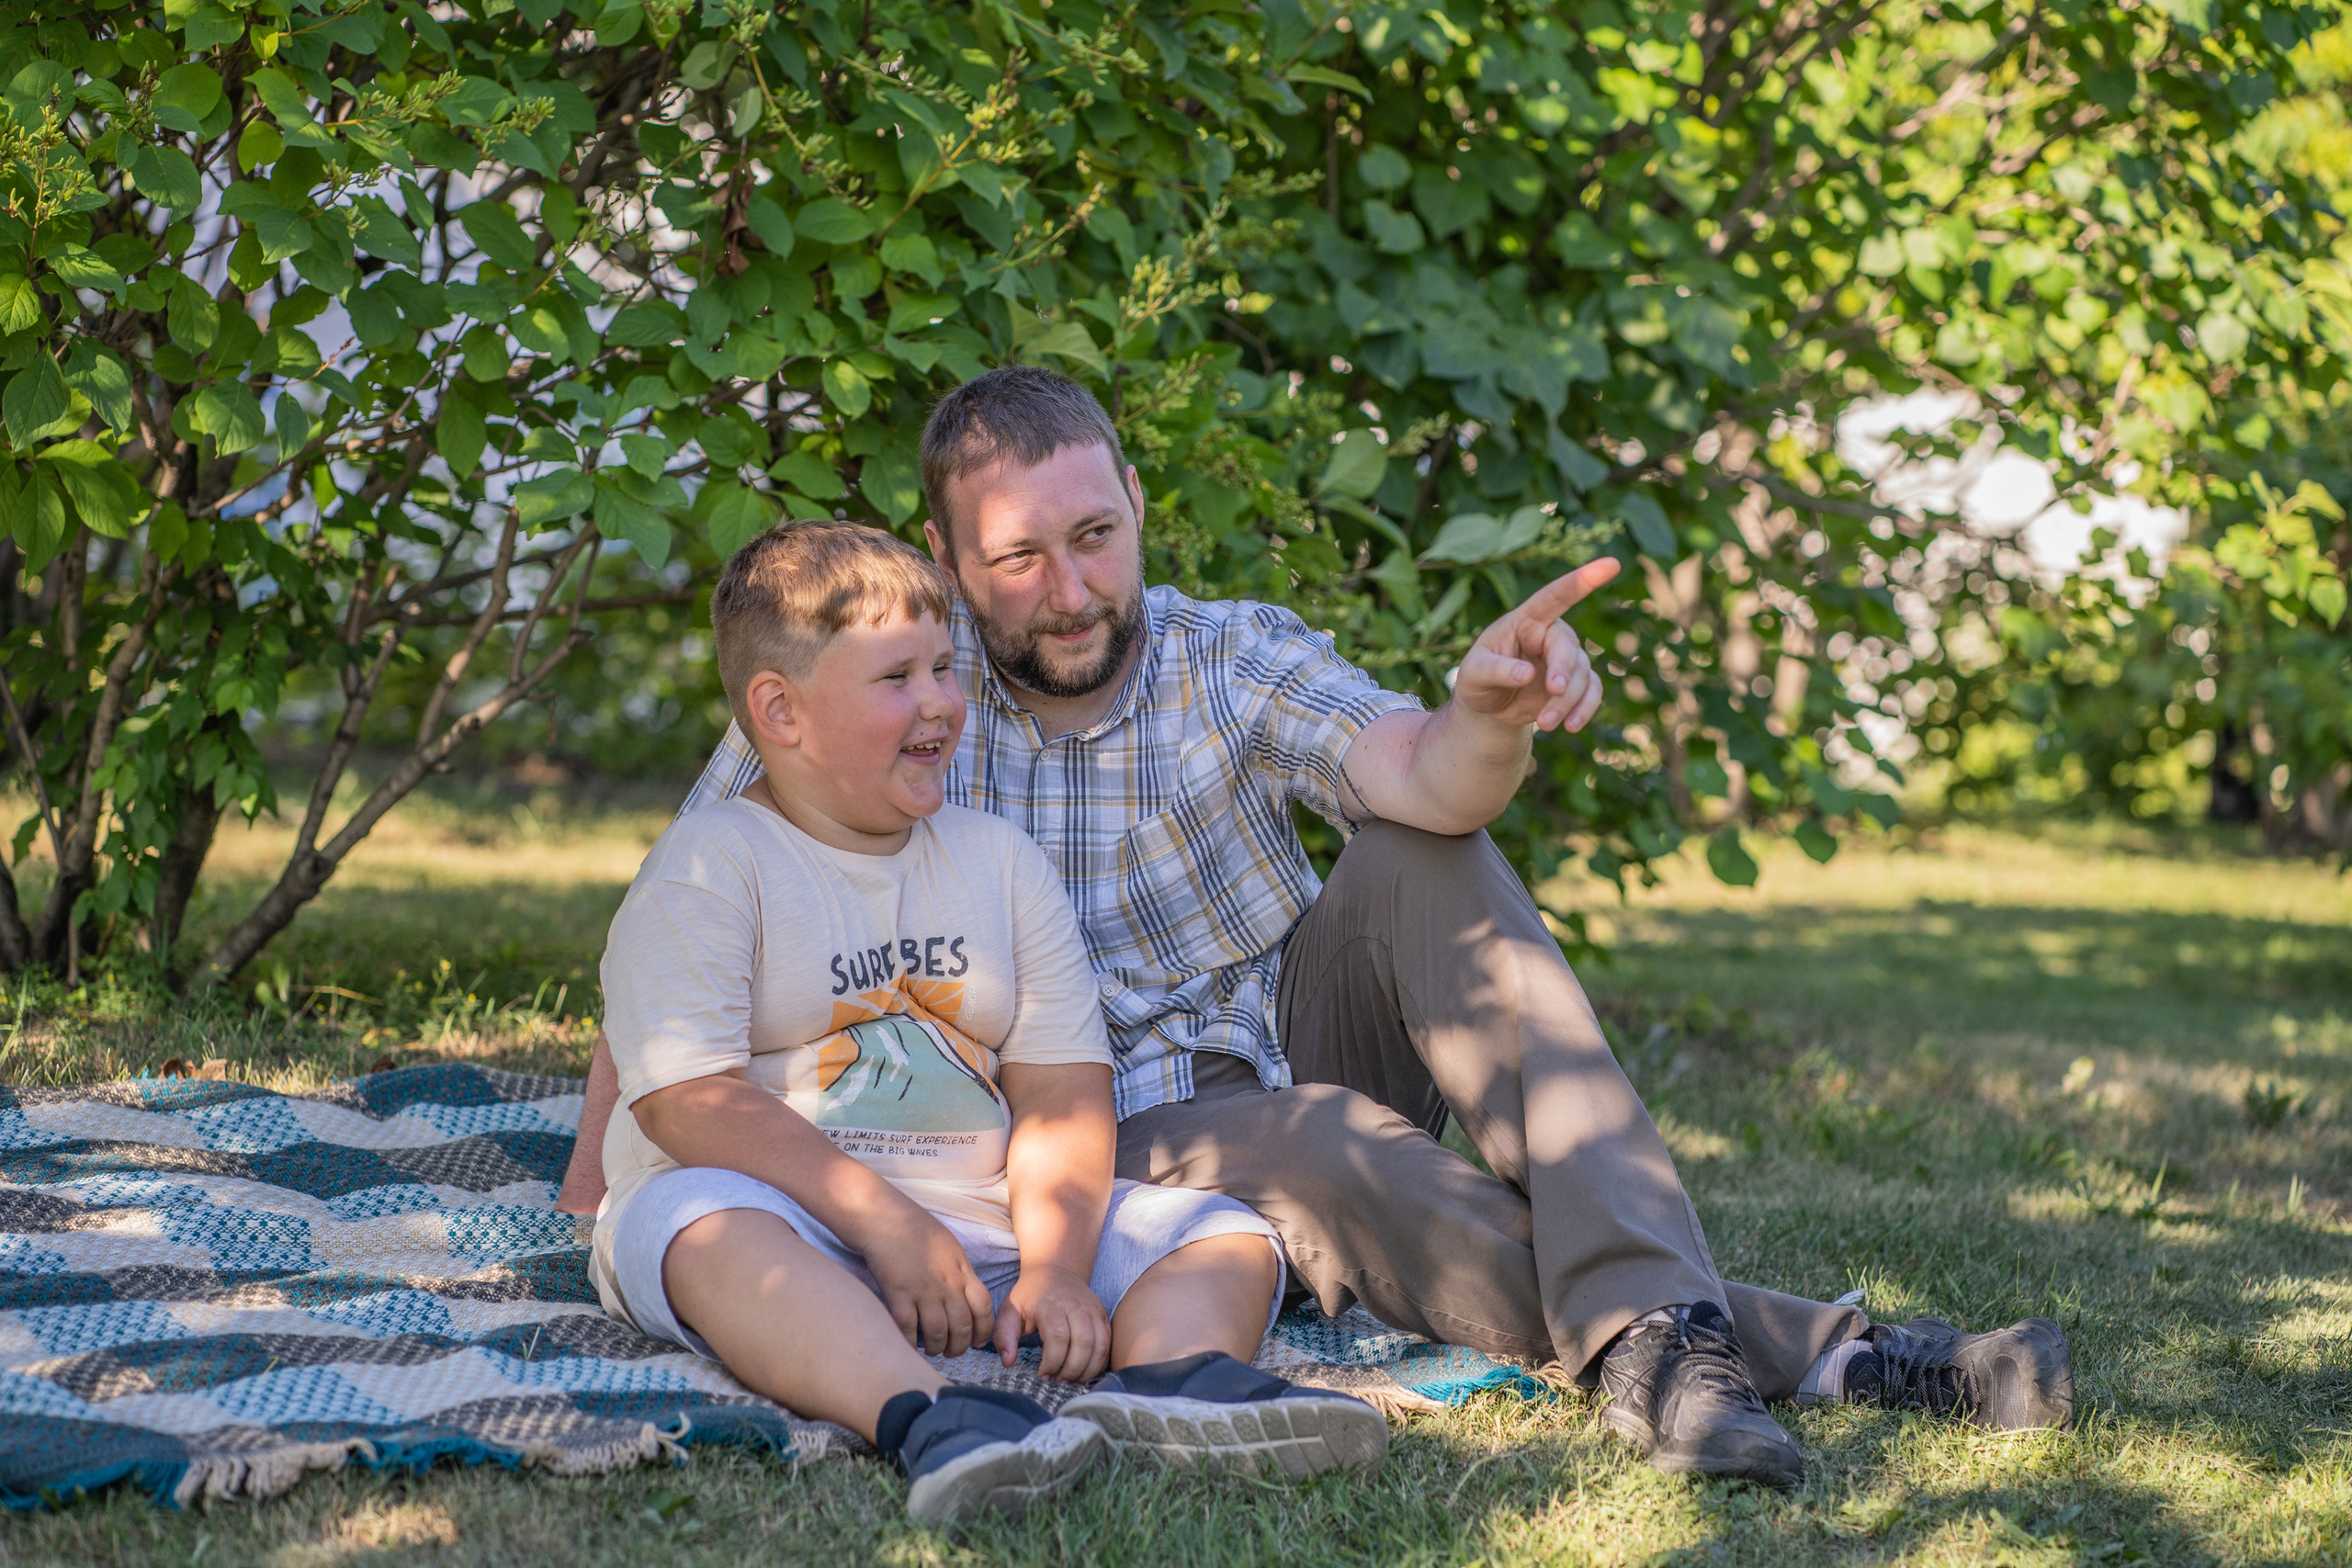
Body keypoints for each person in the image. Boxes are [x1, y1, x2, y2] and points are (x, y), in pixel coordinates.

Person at [565, 367, 2075, 1488]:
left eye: (1095, 534)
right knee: (1319, 1146)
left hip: (1291, 1031)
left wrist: (1489, 715)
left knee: (1437, 853)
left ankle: (1661, 1328)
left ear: (1138, 508)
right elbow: (709, 893)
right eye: (1021, 557)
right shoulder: (893, 694)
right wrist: (604, 1150)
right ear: (956, 563)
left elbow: (1413, 766)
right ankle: (1795, 1350)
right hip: (1086, 1129)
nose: (1072, 586)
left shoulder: (1229, 656)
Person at [591, 520, 1387, 1526]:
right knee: (698, 1229)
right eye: (896, 680)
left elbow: (1058, 1089)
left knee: (1220, 1233)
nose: (938, 705)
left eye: (943, 669)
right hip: (784, 1216)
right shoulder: (712, 863)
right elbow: (684, 1100)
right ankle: (925, 1414)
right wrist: (885, 1224)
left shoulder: (995, 862)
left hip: (985, 1224)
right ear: (779, 711)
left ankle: (1175, 1384)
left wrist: (1054, 1268)